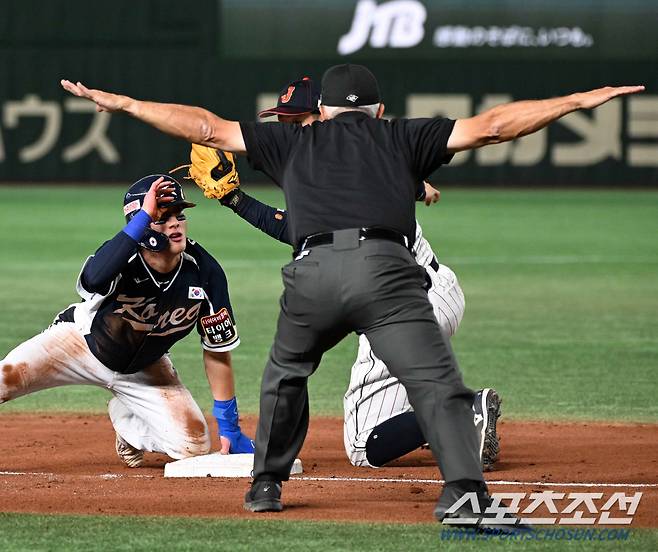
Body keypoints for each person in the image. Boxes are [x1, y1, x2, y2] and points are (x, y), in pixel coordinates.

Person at [61, 69, 643, 531]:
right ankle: (464, 492)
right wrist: (573, 101)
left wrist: (129, 106)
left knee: (285, 374)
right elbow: (494, 126)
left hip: (314, 275)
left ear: (324, 112)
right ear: (379, 111)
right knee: (434, 383)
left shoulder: (291, 143)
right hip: (390, 278)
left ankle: (267, 483)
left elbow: (207, 128)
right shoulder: (401, 138)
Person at [220, 76, 501, 471]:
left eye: (295, 121)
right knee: (403, 400)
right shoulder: (352, 160)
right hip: (422, 289)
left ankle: (469, 411)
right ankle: (451, 420)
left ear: (324, 115)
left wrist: (237, 201)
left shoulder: (335, 166)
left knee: (361, 444)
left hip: (401, 300)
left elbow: (298, 231)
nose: (287, 131)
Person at [0, 175, 254, 468]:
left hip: (145, 367)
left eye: (179, 215)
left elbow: (217, 351)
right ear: (141, 224)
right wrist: (144, 219)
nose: (175, 224)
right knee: (6, 379)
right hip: (78, 345)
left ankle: (128, 425)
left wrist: (229, 426)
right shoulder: (124, 256)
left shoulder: (204, 272)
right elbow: (94, 278)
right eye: (163, 217)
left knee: (193, 446)